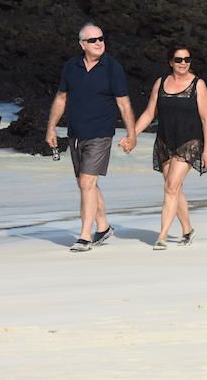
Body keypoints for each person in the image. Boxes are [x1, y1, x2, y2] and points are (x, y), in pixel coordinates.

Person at [46, 23, 137, 253]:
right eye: (93, 40)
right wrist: (51, 128)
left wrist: (132, 134)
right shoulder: (71, 66)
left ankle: (85, 236)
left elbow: (123, 104)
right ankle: (104, 227)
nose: (99, 43)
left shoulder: (112, 68)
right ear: (82, 44)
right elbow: (60, 99)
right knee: (86, 184)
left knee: (87, 183)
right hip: (75, 133)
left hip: (101, 133)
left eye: (101, 38)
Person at [131, 45, 207, 250]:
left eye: (187, 59)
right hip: (165, 141)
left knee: (170, 188)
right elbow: (150, 113)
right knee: (175, 188)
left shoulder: (198, 85)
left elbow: (206, 120)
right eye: (179, 60)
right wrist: (132, 135)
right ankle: (187, 230)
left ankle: (162, 236)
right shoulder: (161, 83)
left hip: (189, 141)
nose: (183, 63)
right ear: (170, 62)